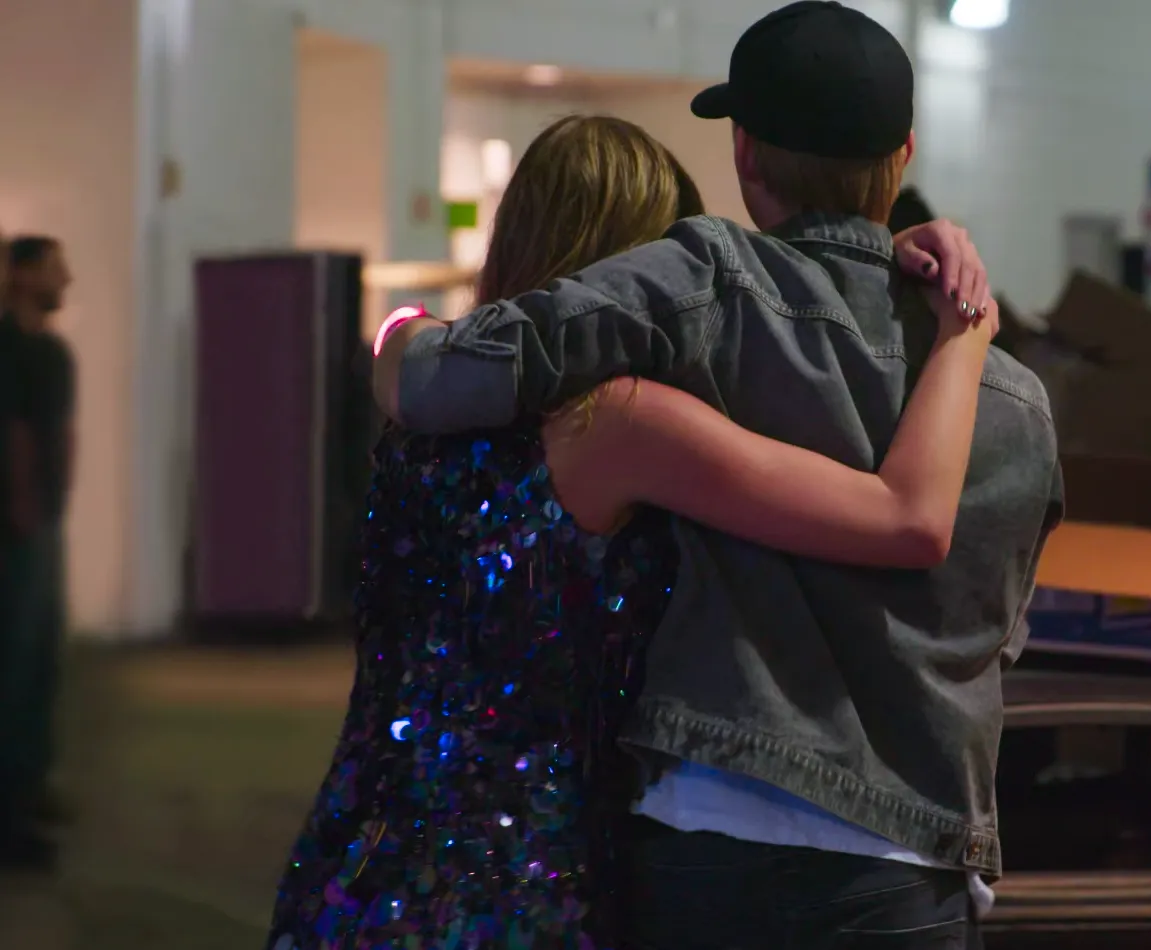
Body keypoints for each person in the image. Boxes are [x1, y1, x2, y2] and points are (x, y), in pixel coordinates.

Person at [375, 3, 1063, 946]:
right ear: (903, 154)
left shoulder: (702, 297)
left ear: (745, 155)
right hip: (913, 858)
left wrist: (398, 334)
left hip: (715, 824)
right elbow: (1000, 630)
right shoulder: (1013, 399)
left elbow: (462, 370)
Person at [265, 114, 998, 950]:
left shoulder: (418, 394)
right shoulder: (620, 424)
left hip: (366, 854)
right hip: (529, 880)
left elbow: (402, 341)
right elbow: (904, 517)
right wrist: (963, 333)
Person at [0, 234, 76, 871]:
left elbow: (57, 429)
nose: (66, 280)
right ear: (22, 277)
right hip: (18, 527)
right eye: (55, 270)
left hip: (42, 521)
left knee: (41, 657)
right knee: (15, 662)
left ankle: (29, 783)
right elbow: (16, 433)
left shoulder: (51, 350)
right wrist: (27, 508)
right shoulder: (11, 348)